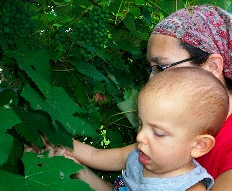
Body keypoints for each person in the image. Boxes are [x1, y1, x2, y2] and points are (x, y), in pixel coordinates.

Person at [43, 5, 232, 191]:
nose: (151, 80)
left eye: (161, 67)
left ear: (213, 66)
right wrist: (51, 142)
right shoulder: (164, 135)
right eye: (151, 68)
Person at [58, 67, 228, 191]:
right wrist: (55, 140)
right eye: (141, 123)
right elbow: (94, 155)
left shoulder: (189, 188)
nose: (140, 137)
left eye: (158, 133)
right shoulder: (138, 153)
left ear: (199, 145)